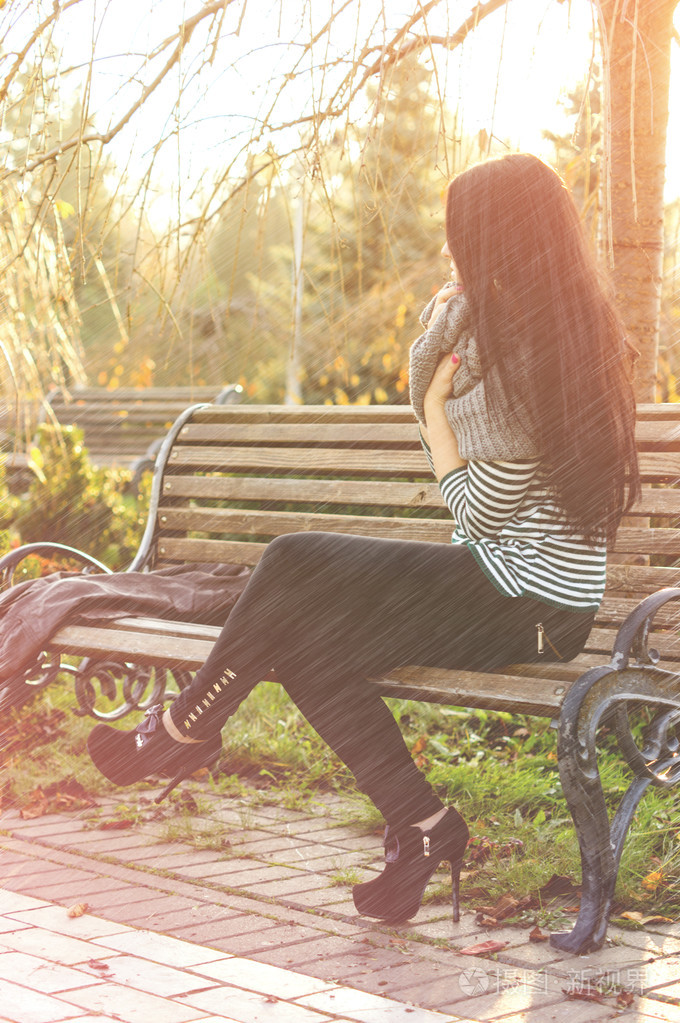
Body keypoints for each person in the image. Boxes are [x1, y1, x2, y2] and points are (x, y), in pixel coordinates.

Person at [87, 153, 640, 925]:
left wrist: (439, 416)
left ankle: (186, 727)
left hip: (534, 604)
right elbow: (484, 519)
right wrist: (444, 395)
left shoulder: (533, 358)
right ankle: (421, 826)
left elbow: (479, 512)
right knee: (305, 640)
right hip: (510, 583)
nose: (451, 253)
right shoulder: (532, 335)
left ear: (501, 244)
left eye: (463, 238)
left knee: (291, 559)